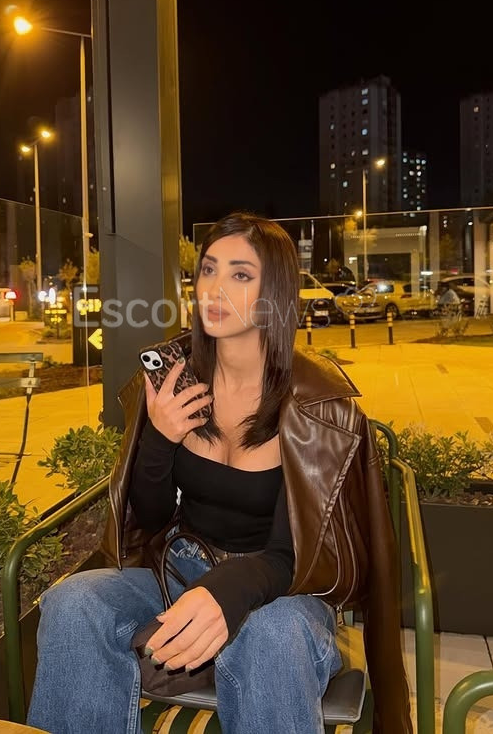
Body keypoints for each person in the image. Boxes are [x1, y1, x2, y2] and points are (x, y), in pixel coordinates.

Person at [28, 212, 412, 734]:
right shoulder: (175, 383)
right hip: (180, 573)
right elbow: (151, 518)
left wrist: (224, 593)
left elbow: (296, 552)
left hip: (284, 593)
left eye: (240, 274)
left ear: (274, 293)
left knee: (273, 636)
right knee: (72, 604)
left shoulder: (318, 408)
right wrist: (160, 437)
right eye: (208, 269)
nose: (214, 287)